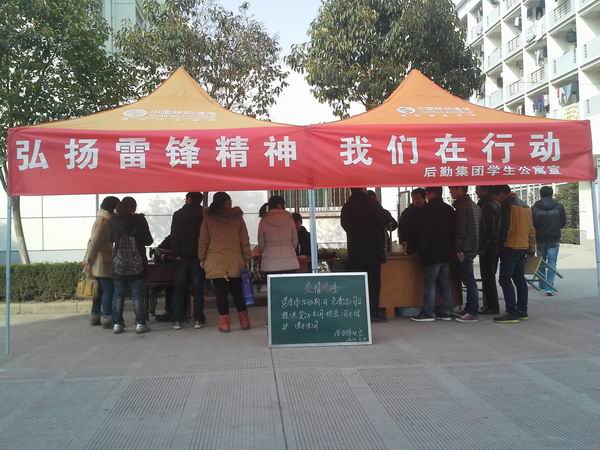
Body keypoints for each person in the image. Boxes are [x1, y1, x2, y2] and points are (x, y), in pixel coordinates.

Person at [198, 192, 252, 333]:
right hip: (235, 261)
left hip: (215, 261)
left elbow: (203, 241)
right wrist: (247, 258)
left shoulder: (208, 219)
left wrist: (202, 258)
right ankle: (244, 322)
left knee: (220, 293)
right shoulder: (238, 218)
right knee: (238, 292)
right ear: (227, 202)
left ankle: (225, 324)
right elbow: (244, 240)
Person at [341, 188, 392, 322]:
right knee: (373, 283)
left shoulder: (347, 206)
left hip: (355, 251)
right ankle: (372, 313)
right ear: (363, 189)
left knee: (357, 284)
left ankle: (358, 312)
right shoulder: (372, 203)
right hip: (373, 250)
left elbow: (344, 225)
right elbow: (385, 222)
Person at [110, 196, 153, 334]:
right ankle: (140, 324)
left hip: (119, 263)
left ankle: (117, 324)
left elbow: (110, 238)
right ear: (134, 207)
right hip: (137, 264)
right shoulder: (140, 220)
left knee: (118, 294)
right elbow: (149, 241)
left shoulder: (113, 220)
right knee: (137, 295)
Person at [411, 187, 455, 322]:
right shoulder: (449, 209)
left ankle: (428, 313)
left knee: (430, 284)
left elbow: (425, 234)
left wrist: (421, 251)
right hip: (447, 253)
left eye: (427, 194)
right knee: (445, 283)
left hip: (432, 253)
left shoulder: (427, 210)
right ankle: (446, 311)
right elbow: (454, 232)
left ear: (431, 194)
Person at [494, 185, 536, 324]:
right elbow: (531, 229)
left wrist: (499, 247)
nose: (496, 200)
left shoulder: (506, 205)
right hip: (523, 246)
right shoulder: (525, 205)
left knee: (505, 279)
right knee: (519, 279)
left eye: (496, 197)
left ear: (501, 193)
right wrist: (531, 248)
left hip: (510, 247)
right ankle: (522, 311)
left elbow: (505, 228)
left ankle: (511, 312)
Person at [169, 192, 206, 331]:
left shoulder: (178, 215)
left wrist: (176, 254)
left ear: (189, 199)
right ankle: (198, 319)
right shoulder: (203, 215)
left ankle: (177, 320)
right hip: (198, 257)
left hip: (181, 258)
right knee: (198, 290)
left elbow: (174, 235)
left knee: (179, 290)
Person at [83, 196, 120, 328]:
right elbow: (95, 242)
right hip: (101, 259)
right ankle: (106, 317)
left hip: (97, 259)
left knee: (98, 290)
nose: (118, 209)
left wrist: (88, 259)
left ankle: (95, 316)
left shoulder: (102, 218)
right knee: (108, 289)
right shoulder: (104, 220)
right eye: (117, 205)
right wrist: (88, 259)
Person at [450, 186, 481, 323]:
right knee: (468, 280)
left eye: (452, 189)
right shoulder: (471, 204)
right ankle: (469, 308)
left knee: (469, 280)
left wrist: (458, 249)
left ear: (460, 189)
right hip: (471, 246)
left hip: (465, 248)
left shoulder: (463, 206)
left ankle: (472, 312)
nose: (450, 191)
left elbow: (461, 229)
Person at [532, 186, 566, 295]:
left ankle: (542, 284)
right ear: (552, 194)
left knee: (541, 262)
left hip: (540, 239)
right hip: (554, 238)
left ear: (540, 194)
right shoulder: (559, 206)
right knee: (552, 262)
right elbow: (563, 223)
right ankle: (549, 286)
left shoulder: (534, 208)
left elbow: (532, 224)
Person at [476, 185, 501, 314]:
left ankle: (491, 306)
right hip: (493, 246)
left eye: (478, 189)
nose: (476, 191)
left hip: (489, 247)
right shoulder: (493, 203)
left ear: (485, 191)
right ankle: (490, 305)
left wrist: (483, 246)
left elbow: (488, 228)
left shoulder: (488, 205)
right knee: (488, 276)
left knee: (488, 277)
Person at [258, 196, 299, 275]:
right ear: (280, 205)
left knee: (271, 283)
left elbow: (261, 243)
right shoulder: (289, 218)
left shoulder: (263, 220)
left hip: (269, 264)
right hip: (289, 263)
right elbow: (295, 240)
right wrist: (288, 248)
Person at [398, 188, 426, 254]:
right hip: (411, 248)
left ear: (424, 198)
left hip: (427, 248)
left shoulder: (430, 211)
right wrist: (404, 245)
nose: (416, 201)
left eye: (418, 198)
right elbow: (401, 230)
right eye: (413, 199)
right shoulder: (406, 213)